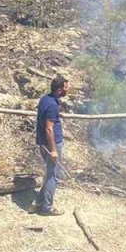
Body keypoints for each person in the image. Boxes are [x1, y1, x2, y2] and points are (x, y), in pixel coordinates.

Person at [34, 75, 69, 216]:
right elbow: (49, 128)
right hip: (51, 144)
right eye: (66, 87)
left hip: (43, 142)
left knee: (50, 173)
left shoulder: (45, 99)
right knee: (53, 176)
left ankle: (39, 202)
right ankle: (46, 208)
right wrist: (53, 150)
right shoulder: (53, 105)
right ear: (60, 89)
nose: (68, 90)